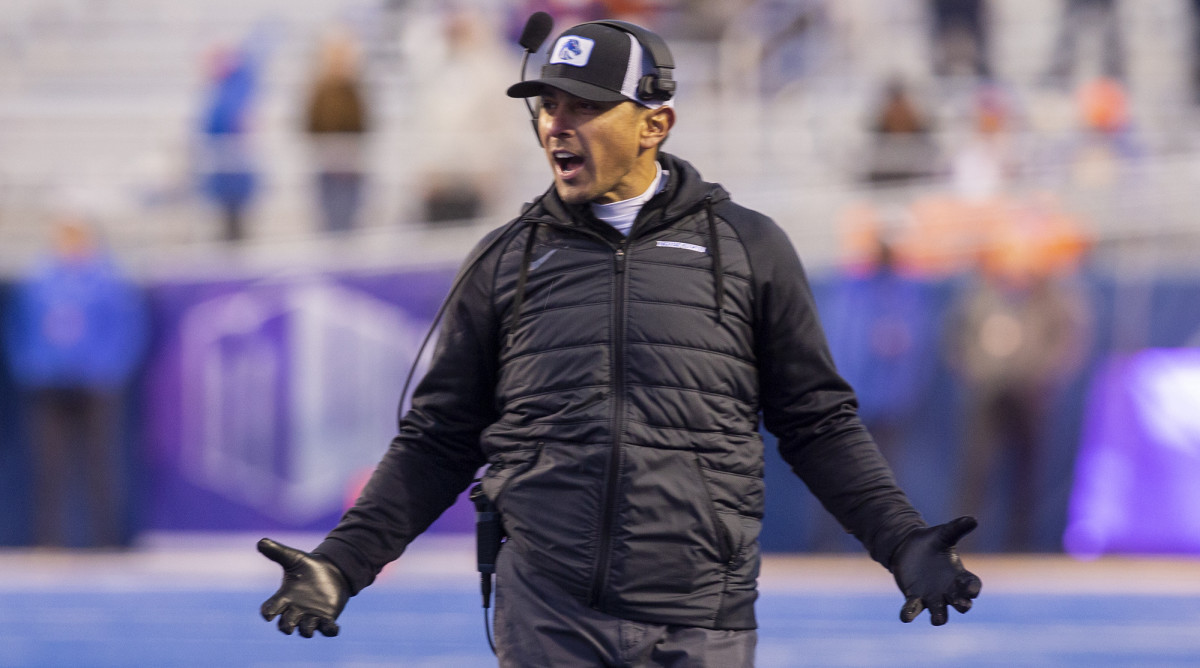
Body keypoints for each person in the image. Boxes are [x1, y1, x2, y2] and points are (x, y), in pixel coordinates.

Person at [258, 19, 981, 665]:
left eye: (585, 106)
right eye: (548, 106)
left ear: (654, 124)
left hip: (701, 618)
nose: (555, 126)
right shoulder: (503, 259)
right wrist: (344, 563)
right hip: (548, 617)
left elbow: (817, 423)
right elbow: (439, 438)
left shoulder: (749, 248)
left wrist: (902, 539)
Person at [2, 215, 149, 547]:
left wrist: (109, 368)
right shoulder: (39, 280)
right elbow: (19, 328)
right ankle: (48, 540)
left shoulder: (108, 279)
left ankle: (106, 540)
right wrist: (31, 366)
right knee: (48, 466)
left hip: (95, 382)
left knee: (100, 464)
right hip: (48, 381)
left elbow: (127, 328)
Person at [303, 25, 371, 233]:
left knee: (349, 220)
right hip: (325, 165)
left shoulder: (355, 87)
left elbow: (363, 123)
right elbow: (310, 123)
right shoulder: (318, 87)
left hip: (351, 165)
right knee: (328, 220)